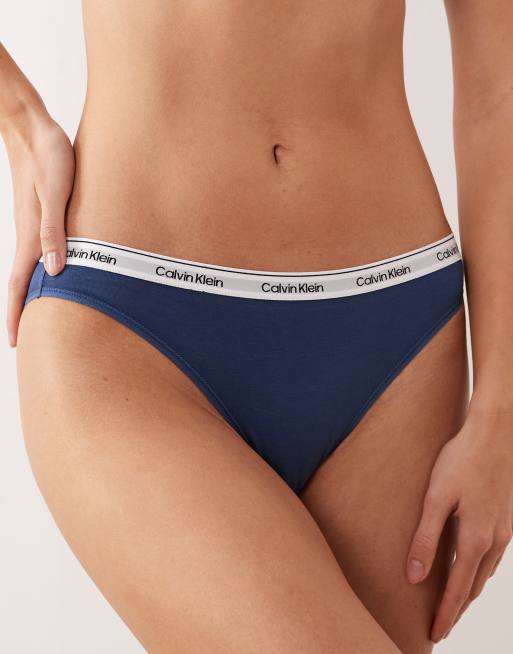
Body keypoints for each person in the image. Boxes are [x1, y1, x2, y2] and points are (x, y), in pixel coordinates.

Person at [1, 2, 512, 652]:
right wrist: (19, 121)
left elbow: (498, 89)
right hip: (132, 318)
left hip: (397, 346)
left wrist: (501, 409)